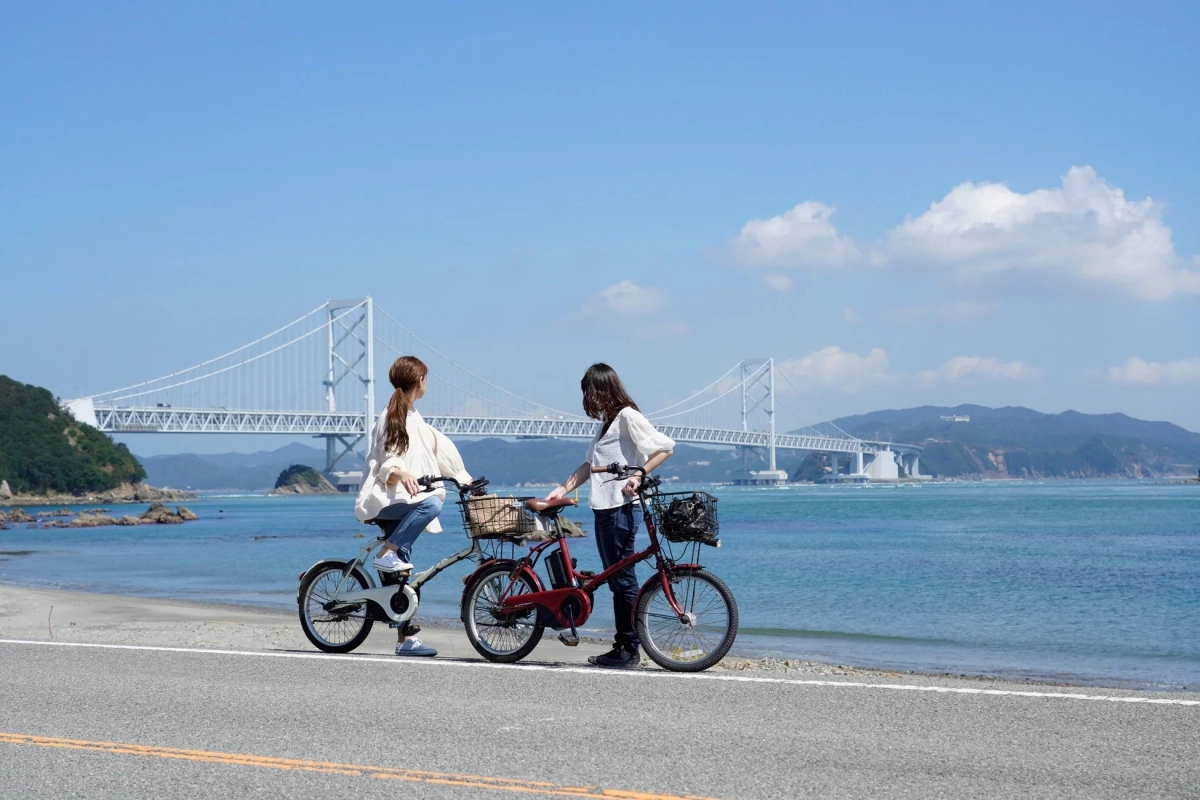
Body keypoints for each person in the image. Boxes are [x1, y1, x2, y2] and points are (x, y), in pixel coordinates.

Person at [544, 363, 674, 668]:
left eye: (587, 392)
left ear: (600, 389)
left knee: (623, 580)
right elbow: (589, 467)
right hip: (604, 508)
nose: (586, 399)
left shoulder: (628, 416)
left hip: (621, 507)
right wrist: (560, 489)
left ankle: (628, 649)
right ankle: (624, 646)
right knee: (617, 579)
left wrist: (638, 475)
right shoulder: (606, 423)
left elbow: (665, 448)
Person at [355, 355, 472, 657]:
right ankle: (387, 552)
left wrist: (464, 479)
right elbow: (387, 459)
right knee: (431, 504)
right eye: (426, 378)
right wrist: (400, 473)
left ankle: (405, 639)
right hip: (386, 500)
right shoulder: (392, 416)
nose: (426, 383)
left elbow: (439, 449)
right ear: (420, 381)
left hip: (402, 501)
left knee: (403, 579)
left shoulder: (414, 416)